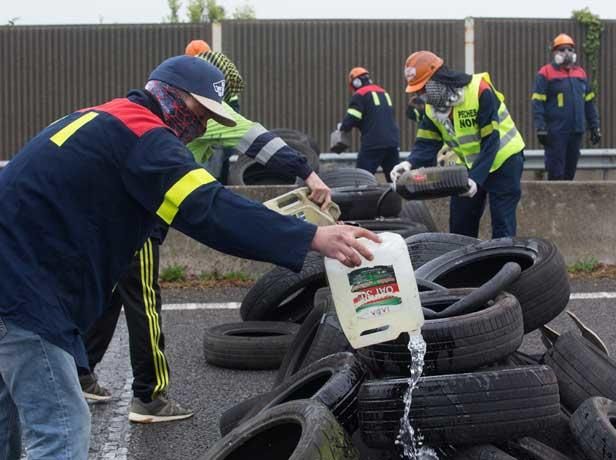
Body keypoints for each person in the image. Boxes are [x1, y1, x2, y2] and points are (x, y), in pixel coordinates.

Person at [0, 55, 378, 460]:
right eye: (199, 113)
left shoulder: (107, 116)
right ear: (174, 98)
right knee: (61, 428)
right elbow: (208, 209)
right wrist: (313, 235)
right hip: (24, 290)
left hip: (15, 271)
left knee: (6, 420)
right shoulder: (145, 136)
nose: (199, 127)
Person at [79, 50, 333, 424]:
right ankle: (150, 397)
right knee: (144, 302)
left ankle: (83, 372)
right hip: (144, 218)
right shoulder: (207, 117)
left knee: (115, 294)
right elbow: (258, 139)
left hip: (120, 215)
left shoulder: (145, 111)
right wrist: (308, 174)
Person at [391, 51, 526, 239]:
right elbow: (426, 143)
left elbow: (491, 141)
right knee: (460, 222)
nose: (420, 96)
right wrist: (408, 164)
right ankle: (464, 265)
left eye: (423, 89)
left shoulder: (480, 91)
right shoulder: (432, 108)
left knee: (502, 221)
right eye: (417, 91)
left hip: (504, 160)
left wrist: (475, 179)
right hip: (469, 165)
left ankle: (506, 265)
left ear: (439, 80)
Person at [532, 33, 601, 181]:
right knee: (556, 172)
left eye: (570, 49)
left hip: (576, 130)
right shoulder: (545, 73)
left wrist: (595, 127)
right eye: (562, 50)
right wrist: (541, 127)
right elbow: (538, 102)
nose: (567, 53)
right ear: (555, 53)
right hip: (556, 132)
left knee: (570, 172)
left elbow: (589, 102)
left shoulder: (580, 73)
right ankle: (553, 202)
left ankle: (565, 204)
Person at [337, 67, 400, 182]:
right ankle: (395, 199)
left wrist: (342, 126)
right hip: (392, 142)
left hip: (373, 143)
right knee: (394, 179)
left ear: (355, 83)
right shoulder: (383, 92)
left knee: (361, 178)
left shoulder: (360, 95)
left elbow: (353, 117)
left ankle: (362, 200)